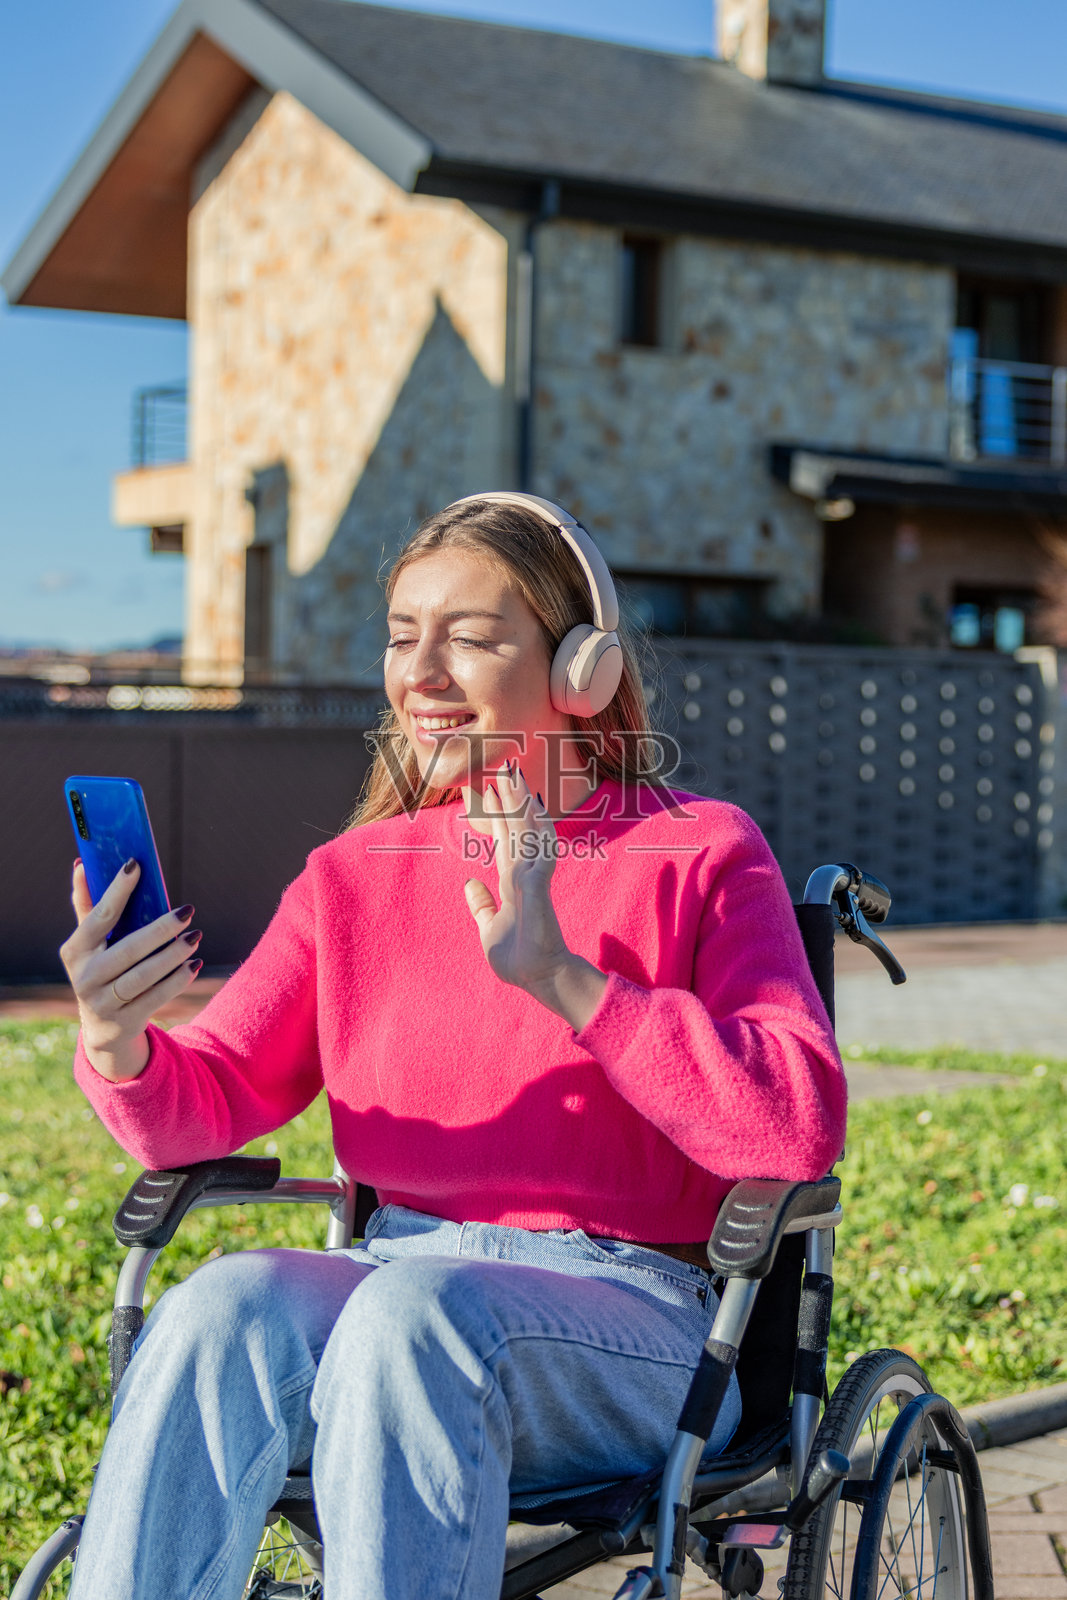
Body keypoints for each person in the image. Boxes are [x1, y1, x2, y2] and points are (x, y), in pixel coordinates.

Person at [59, 492, 846, 1600]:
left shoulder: (699, 850)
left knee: (408, 1316)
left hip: (635, 1319)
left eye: (471, 638)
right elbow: (218, 1087)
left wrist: (567, 981)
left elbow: (794, 1121)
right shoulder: (356, 875)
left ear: (581, 669)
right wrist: (120, 1039)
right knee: (213, 1307)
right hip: (398, 1280)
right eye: (400, 635)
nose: (420, 671)